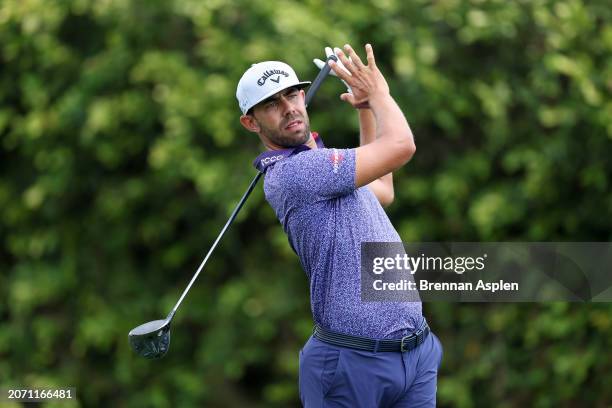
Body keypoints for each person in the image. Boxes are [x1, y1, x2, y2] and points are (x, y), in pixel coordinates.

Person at [236, 43, 443, 407]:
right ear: (251, 122)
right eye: (272, 104)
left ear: (304, 94)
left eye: (293, 94)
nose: (289, 109)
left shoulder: (326, 165)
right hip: (351, 363)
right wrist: (379, 93)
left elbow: (382, 189)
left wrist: (365, 110)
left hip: (415, 352)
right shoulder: (295, 173)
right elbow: (402, 146)